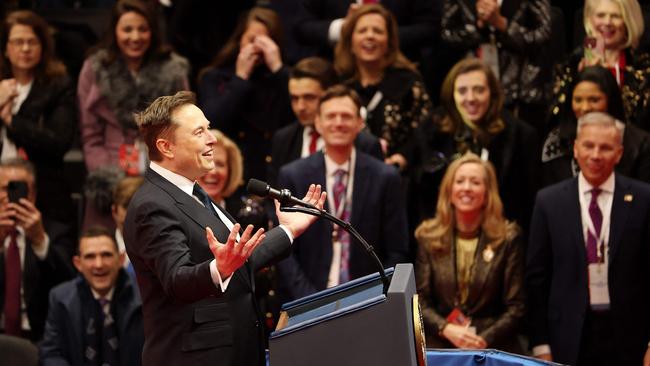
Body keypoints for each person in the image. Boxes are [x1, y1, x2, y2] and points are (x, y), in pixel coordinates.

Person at [123, 90, 326, 365]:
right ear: (166, 147)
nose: (212, 139)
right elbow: (176, 280)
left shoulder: (192, 191)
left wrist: (288, 230)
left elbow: (238, 260)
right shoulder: (152, 204)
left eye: (208, 128)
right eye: (199, 132)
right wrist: (219, 269)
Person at [527, 111, 650, 365]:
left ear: (619, 153)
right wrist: (540, 345)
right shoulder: (549, 201)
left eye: (605, 147)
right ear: (575, 148)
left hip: (630, 336)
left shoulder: (643, 199)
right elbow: (536, 279)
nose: (595, 155)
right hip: (567, 335)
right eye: (588, 145)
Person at [276, 85, 409, 301]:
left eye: (346, 116)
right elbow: (285, 251)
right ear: (318, 123)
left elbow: (397, 250)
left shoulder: (385, 177)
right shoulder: (293, 175)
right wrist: (310, 301)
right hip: (308, 298)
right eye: (331, 116)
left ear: (360, 123)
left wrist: (373, 295)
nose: (338, 123)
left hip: (369, 298)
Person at [413, 58, 538, 234]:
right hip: (444, 239)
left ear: (492, 94)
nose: (470, 98)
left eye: (479, 90)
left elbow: (528, 203)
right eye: (462, 91)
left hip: (503, 239)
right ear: (452, 95)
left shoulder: (520, 137)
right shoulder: (430, 134)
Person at [415, 152, 524, 352]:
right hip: (441, 345)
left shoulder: (508, 238)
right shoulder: (428, 237)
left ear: (487, 192)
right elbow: (420, 300)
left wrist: (480, 340)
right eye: (460, 181)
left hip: (493, 347)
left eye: (475, 182)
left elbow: (516, 307)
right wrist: (446, 328)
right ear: (449, 190)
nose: (466, 188)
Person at [78, 0, 189, 174]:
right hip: (109, 171)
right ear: (115, 31)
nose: (135, 37)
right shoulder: (95, 68)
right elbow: (90, 135)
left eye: (143, 29)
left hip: (163, 170)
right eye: (127, 30)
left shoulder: (172, 69)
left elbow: (183, 127)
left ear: (152, 31)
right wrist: (108, 176)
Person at [0, 10, 77, 228]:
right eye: (17, 42)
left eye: (31, 41)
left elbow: (59, 141)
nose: (25, 48)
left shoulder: (58, 85)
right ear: (5, 48)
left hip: (44, 188)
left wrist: (11, 120)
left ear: (43, 46)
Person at [198, 7, 293, 181]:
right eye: (252, 39)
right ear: (239, 39)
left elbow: (295, 117)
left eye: (266, 41)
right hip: (232, 174)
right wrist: (240, 79)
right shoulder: (214, 77)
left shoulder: (285, 79)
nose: (258, 47)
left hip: (273, 173)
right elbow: (211, 124)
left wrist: (279, 70)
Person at [334, 4, 432, 171]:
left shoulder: (408, 82)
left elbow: (424, 131)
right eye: (362, 31)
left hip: (397, 177)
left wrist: (402, 158)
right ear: (350, 41)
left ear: (389, 42)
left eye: (378, 31)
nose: (370, 36)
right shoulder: (340, 85)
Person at [439, 0, 551, 131]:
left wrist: (502, 24)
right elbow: (446, 33)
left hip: (521, 90)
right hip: (470, 84)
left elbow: (543, 34)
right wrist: (478, 27)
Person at [270, 56, 383, 185]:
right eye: (295, 98)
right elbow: (273, 195)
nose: (300, 107)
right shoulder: (283, 139)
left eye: (309, 97)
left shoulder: (366, 145)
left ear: (331, 95)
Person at [39, 227, 144, 366]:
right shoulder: (60, 298)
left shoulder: (143, 299)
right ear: (78, 263)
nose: (99, 264)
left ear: (120, 259)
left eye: (106, 255)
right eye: (90, 257)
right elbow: (51, 354)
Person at [0, 158, 73, 341]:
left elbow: (70, 286)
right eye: (2, 188)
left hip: (40, 336)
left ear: (31, 194)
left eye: (16, 188)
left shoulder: (56, 232)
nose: (7, 195)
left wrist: (39, 240)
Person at [542, 65, 650, 186]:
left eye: (594, 100)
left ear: (610, 101)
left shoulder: (639, 144)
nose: (585, 108)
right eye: (578, 100)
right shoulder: (556, 143)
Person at [551, 0, 650, 131]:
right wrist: (578, 81)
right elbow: (557, 118)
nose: (607, 22)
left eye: (615, 16)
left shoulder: (644, 68)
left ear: (628, 21)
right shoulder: (571, 65)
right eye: (601, 15)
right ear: (590, 19)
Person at [111, 176, 144, 277]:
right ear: (114, 211)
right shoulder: (101, 248)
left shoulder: (161, 244)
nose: (132, 213)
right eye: (126, 206)